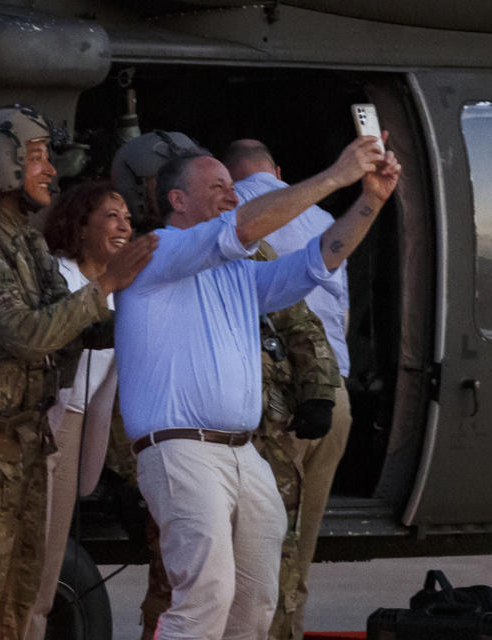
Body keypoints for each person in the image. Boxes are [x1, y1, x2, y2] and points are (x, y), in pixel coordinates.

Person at [116, 137, 400, 639]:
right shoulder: (158, 251)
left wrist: (370, 200)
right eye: (217, 187)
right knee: (205, 596)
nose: (231, 195)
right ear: (176, 200)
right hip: (182, 449)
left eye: (232, 186)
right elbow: (240, 227)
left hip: (243, 454)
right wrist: (336, 176)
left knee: (256, 601)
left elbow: (319, 261)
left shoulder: (236, 272)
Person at [0, 106, 156, 640]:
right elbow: (31, 334)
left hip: (27, 438)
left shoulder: (24, 240)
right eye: (35, 159)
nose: (50, 171)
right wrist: (106, 287)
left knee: (20, 589)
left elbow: (76, 327)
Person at [224, 138, 355, 640]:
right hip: (333, 395)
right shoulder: (324, 221)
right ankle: (289, 631)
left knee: (260, 542)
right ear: (277, 169)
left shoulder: (235, 221)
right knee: (300, 542)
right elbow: (337, 317)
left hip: (277, 401)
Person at [21, 180, 133, 639]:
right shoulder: (58, 276)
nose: (125, 225)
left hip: (77, 425)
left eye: (128, 217)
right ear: (80, 225)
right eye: (112, 216)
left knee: (48, 567)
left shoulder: (123, 290)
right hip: (48, 424)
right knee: (35, 565)